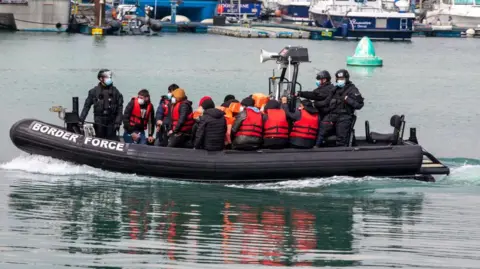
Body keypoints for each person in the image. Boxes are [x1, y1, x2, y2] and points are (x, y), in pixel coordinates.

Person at [316, 69, 364, 147]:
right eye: (338, 79)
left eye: (342, 79)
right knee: (321, 129)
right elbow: (326, 101)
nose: (340, 81)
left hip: (344, 117)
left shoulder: (353, 89)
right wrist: (315, 104)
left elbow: (359, 105)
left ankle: (341, 150)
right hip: (332, 115)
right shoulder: (335, 89)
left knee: (341, 136)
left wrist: (347, 99)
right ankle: (316, 147)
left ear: (346, 79)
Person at [79, 69, 124, 140]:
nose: (109, 79)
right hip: (99, 120)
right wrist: (81, 119)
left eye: (110, 77)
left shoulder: (116, 92)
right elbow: (86, 107)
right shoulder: (93, 92)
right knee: (99, 138)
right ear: (101, 78)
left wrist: (118, 122)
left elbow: (120, 109)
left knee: (111, 138)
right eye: (107, 77)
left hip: (111, 121)